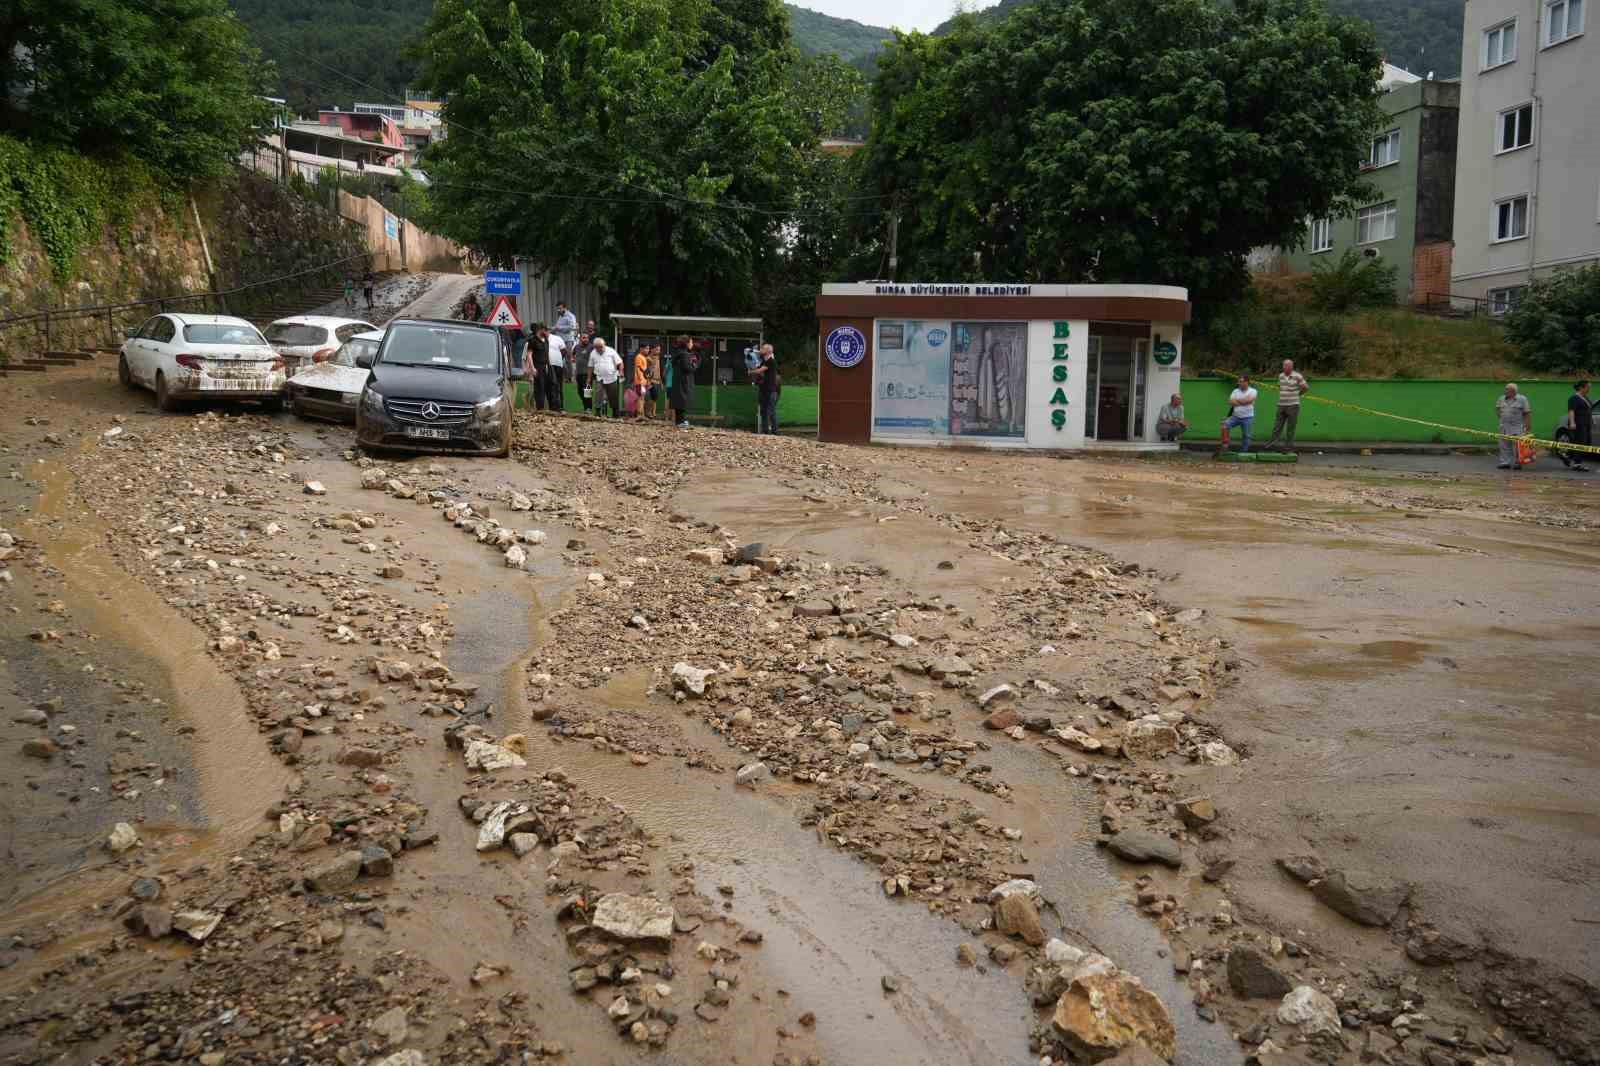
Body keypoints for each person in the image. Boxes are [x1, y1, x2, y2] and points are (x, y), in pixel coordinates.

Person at [1261, 359, 1309, 451]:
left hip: (1293, 405)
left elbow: (1306, 387)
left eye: (1286, 365)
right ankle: (1272, 444)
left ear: (1291, 367)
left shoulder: (1297, 376)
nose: (1284, 367)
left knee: (1291, 426)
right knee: (1277, 425)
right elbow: (1280, 386)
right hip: (1281, 404)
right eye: (1283, 365)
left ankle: (1288, 447)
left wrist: (1298, 394)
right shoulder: (1281, 376)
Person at [1495, 382, 1532, 470]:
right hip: (1504, 425)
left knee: (1517, 446)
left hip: (1517, 426)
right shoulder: (1501, 398)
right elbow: (1497, 408)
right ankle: (1505, 462)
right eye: (1505, 389)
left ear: (1513, 391)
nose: (1505, 391)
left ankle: (1518, 462)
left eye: (1507, 389)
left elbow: (1527, 413)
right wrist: (1501, 416)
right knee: (1503, 445)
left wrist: (1528, 426)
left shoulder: (1522, 399)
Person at [1220, 374, 1258, 454]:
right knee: (1224, 425)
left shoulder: (1253, 391)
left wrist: (1237, 401)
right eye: (1239, 382)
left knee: (1246, 436)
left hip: (1248, 417)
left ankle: (1244, 452)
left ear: (1247, 382)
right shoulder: (1235, 391)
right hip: (1235, 417)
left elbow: (1249, 400)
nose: (1239, 383)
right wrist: (1243, 401)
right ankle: (1225, 446)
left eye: (1241, 381)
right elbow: (1230, 402)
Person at [588, 336, 623, 418]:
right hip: (599, 378)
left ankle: (615, 413)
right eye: (598, 347)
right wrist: (589, 378)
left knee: (613, 396)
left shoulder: (611, 351)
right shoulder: (593, 353)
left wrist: (621, 371)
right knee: (598, 394)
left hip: (612, 377)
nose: (600, 349)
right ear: (595, 347)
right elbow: (590, 366)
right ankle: (598, 412)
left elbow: (620, 362)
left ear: (604, 345)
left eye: (601, 346)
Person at [750, 343, 781, 434]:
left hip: (771, 390)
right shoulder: (764, 361)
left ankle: (775, 431)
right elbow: (760, 371)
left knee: (770, 411)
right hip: (763, 390)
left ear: (768, 351)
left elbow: (760, 371)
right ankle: (766, 431)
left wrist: (751, 371)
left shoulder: (771, 361)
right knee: (764, 411)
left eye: (763, 348)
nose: (761, 349)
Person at [1563, 379, 1593, 472]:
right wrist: (1572, 423)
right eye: (1588, 387)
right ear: (1581, 387)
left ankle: (1567, 455)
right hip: (1579, 424)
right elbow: (1571, 411)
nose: (1589, 389)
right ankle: (1577, 464)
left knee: (1586, 443)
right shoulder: (1574, 398)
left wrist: (1591, 420)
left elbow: (1588, 410)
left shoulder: (1586, 398)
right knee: (1580, 443)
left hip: (1586, 423)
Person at [668, 336, 695, 428]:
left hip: (677, 380)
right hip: (684, 381)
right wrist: (695, 364)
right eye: (691, 342)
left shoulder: (677, 353)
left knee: (678, 400)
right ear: (687, 343)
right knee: (683, 400)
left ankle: (678, 421)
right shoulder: (685, 355)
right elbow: (687, 368)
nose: (692, 344)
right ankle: (682, 421)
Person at [524, 323, 550, 411]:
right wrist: (532, 368)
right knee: (538, 388)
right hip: (537, 366)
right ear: (541, 329)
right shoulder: (532, 341)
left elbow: (546, 354)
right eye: (546, 330)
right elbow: (529, 355)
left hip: (545, 367)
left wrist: (547, 365)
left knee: (546, 387)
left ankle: (543, 407)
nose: (547, 332)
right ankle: (539, 408)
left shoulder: (546, 340)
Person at [541, 325, 566, 410]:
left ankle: (560, 406)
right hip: (547, 366)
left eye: (545, 330)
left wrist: (558, 359)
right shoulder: (541, 339)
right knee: (549, 386)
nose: (544, 332)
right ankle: (552, 406)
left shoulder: (557, 338)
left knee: (558, 386)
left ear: (548, 330)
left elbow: (563, 351)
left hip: (557, 365)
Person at [630, 344, 650, 420]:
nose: (647, 350)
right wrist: (641, 380)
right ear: (641, 349)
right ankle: (639, 415)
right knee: (640, 398)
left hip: (643, 381)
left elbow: (644, 370)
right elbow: (638, 369)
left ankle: (642, 415)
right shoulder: (639, 357)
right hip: (640, 381)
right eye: (646, 348)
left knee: (642, 398)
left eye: (648, 349)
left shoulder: (643, 357)